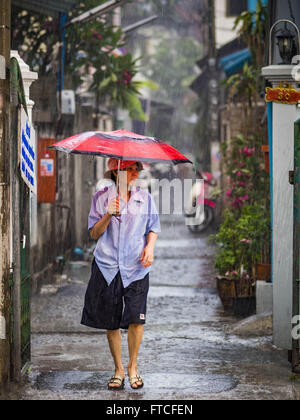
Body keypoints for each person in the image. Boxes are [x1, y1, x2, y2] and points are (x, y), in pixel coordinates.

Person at [81, 158, 160, 390]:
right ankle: (119, 370)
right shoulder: (101, 198)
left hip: (136, 267)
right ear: (116, 172)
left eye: (136, 169)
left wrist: (150, 248)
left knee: (136, 318)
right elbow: (94, 234)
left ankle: (133, 366)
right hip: (107, 267)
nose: (135, 173)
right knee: (111, 320)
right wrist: (107, 214)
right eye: (130, 169)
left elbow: (153, 227)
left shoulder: (144, 199)